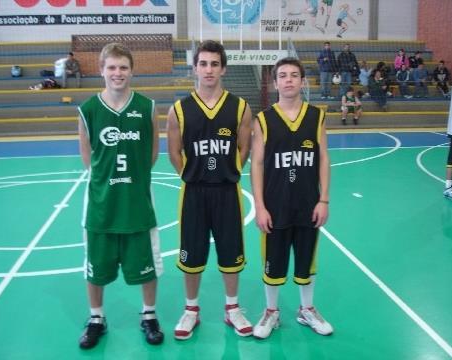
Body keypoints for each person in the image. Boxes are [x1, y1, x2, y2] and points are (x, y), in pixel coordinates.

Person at [77, 43, 164, 349]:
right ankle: (96, 318)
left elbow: (153, 152)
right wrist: (108, 181)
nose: (117, 73)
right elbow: (87, 157)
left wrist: (133, 178)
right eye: (111, 67)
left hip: (137, 201)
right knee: (95, 267)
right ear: (101, 70)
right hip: (101, 204)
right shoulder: (88, 110)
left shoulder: (147, 107)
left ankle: (149, 315)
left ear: (131, 70)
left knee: (147, 265)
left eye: (123, 67)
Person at [167, 40, 253, 340]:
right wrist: (195, 174)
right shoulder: (179, 109)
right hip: (194, 193)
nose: (208, 69)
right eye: (203, 63)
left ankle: (232, 309)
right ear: (195, 68)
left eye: (214, 64)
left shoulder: (240, 107)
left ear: (223, 68)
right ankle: (191, 310)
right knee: (192, 255)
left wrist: (228, 172)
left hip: (227, 192)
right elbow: (174, 154)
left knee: (231, 252)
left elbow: (245, 148)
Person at [250, 57, 333, 339]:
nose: (288, 80)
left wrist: (324, 199)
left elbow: (323, 157)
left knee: (307, 261)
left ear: (302, 81)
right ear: (275, 83)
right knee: (273, 261)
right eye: (282, 75)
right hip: (275, 205)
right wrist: (260, 206)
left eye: (294, 75)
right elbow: (257, 164)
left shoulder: (316, 116)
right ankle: (271, 312)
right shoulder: (263, 119)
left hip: (308, 204)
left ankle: (306, 309)